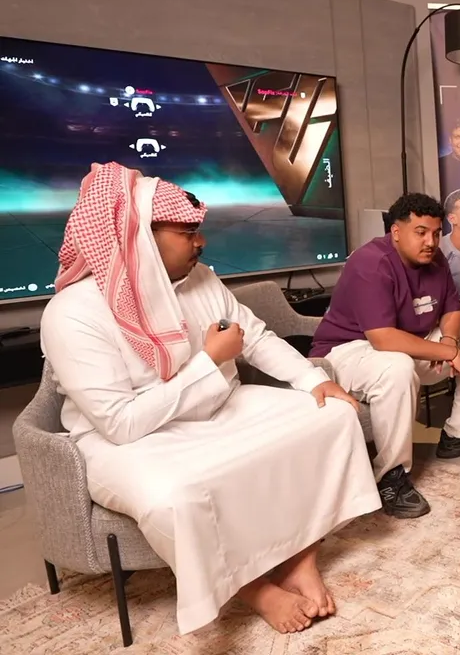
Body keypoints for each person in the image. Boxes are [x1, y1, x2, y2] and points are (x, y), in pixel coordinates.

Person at [40, 162, 381, 635]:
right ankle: (253, 588)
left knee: (334, 417)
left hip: (219, 407)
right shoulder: (73, 313)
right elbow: (120, 423)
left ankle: (302, 557)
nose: (201, 242)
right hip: (130, 442)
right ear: (139, 237)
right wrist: (208, 361)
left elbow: (255, 336)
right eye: (187, 233)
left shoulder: (200, 279)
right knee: (174, 495)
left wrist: (312, 380)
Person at [312, 193, 460, 516]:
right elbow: (382, 338)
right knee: (397, 366)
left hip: (411, 340)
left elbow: (453, 310)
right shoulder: (371, 262)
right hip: (348, 350)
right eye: (421, 232)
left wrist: (450, 343)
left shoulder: (435, 259)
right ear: (396, 231)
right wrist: (447, 351)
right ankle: (391, 476)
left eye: (436, 233)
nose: (430, 241)